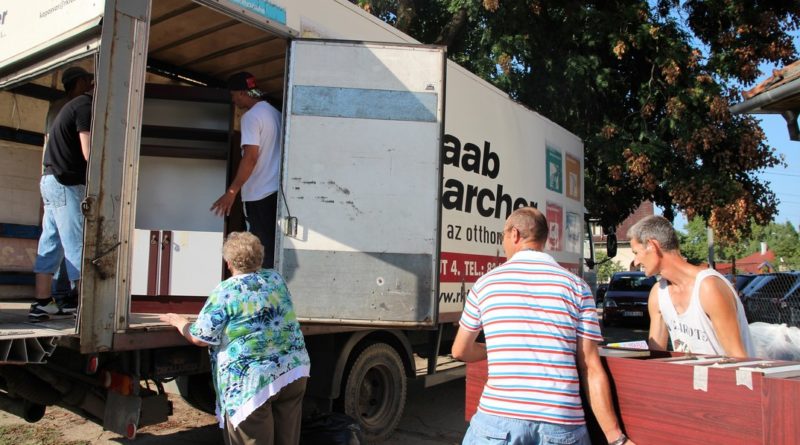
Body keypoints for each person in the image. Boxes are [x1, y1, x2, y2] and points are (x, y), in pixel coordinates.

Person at [453, 207, 634, 445]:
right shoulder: (577, 287)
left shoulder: (485, 284)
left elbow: (460, 351)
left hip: (497, 424)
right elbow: (590, 366)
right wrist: (616, 438)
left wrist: (495, 351)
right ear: (544, 239)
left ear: (514, 234)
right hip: (562, 424)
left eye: (503, 237)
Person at [160, 231, 310, 445]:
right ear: (261, 257)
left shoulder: (226, 290)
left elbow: (200, 338)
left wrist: (179, 322)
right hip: (293, 371)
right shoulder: (275, 279)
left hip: (252, 382)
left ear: (228, 262)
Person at [628, 215, 755, 358]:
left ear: (653, 245)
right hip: (689, 378)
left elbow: (739, 358)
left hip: (724, 378)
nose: (636, 262)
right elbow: (655, 356)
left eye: (636, 253)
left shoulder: (708, 287)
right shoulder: (658, 294)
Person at [30, 67, 94, 320]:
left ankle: (42, 302)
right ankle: (85, 305)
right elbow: (89, 153)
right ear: (85, 84)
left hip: (49, 179)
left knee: (51, 242)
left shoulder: (64, 106)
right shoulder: (85, 107)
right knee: (75, 242)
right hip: (66, 183)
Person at [211, 72, 282, 268]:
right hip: (274, 191)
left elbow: (250, 157)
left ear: (243, 93)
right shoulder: (275, 114)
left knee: (259, 250)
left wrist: (232, 192)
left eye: (234, 94)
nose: (233, 99)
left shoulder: (251, 117)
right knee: (271, 247)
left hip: (259, 193)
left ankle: (261, 292)